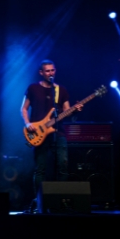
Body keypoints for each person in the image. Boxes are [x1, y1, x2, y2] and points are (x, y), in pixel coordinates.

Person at [21, 60, 78, 209]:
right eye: (47, 71)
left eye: (52, 70)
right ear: (41, 72)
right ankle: (39, 201)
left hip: (58, 132)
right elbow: (24, 109)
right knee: (41, 168)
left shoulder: (61, 90)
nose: (50, 73)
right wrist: (28, 124)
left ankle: (60, 200)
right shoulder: (33, 88)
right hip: (38, 132)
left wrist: (75, 110)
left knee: (63, 166)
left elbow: (67, 111)